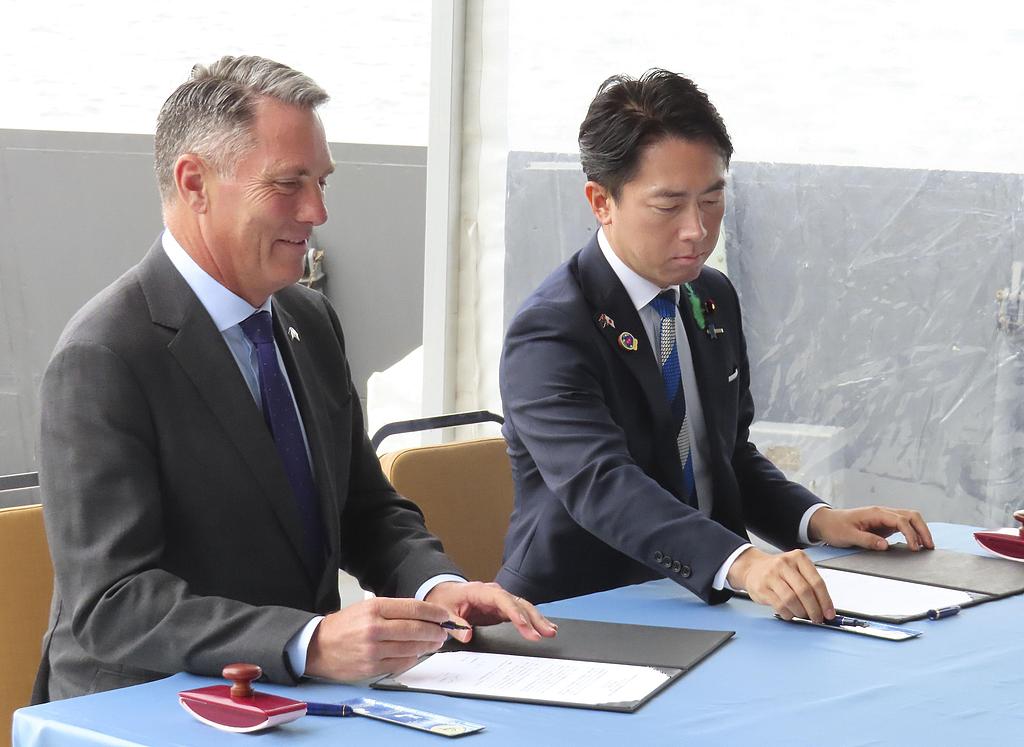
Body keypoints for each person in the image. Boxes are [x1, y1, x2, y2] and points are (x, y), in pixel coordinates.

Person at [33, 55, 554, 703]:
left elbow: (366, 509)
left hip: (294, 695)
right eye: (288, 184)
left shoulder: (309, 320)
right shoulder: (105, 354)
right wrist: (307, 641)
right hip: (149, 703)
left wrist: (435, 589)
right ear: (194, 182)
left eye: (322, 182)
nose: (317, 211)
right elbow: (113, 601)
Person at [496, 69, 933, 621]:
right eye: (668, 205)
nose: (697, 230)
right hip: (586, 611)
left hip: (708, 600)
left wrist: (817, 520)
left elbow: (724, 455)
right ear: (601, 202)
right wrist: (744, 563)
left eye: (712, 199)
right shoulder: (551, 330)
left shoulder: (709, 295)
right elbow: (602, 485)